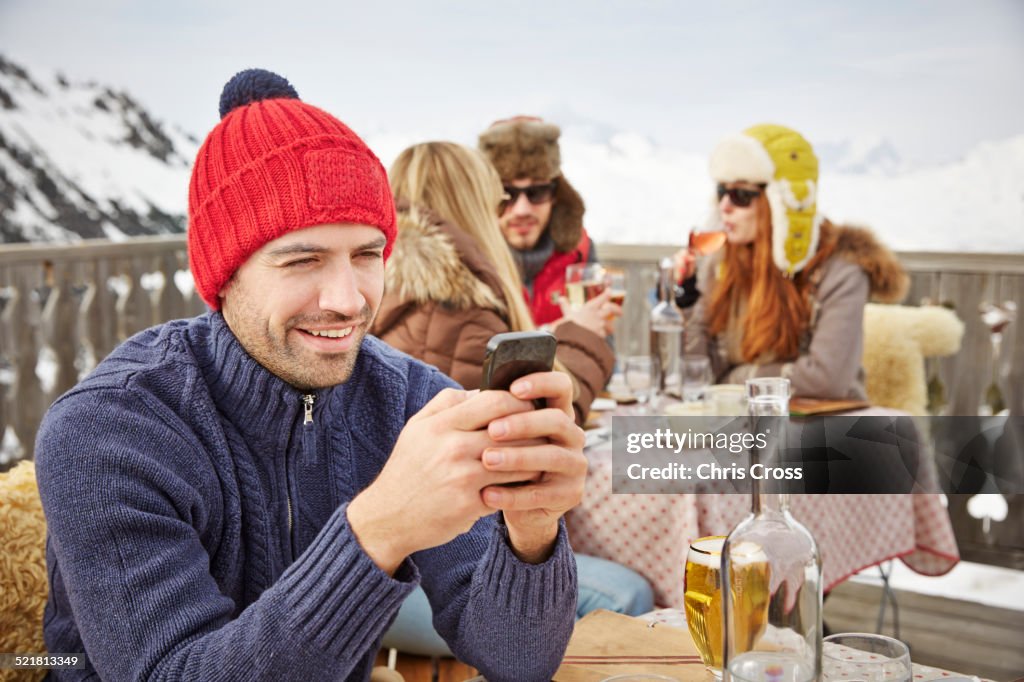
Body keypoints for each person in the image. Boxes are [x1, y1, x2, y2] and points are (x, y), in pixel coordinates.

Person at [33, 69, 585, 682]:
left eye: (367, 255)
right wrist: (380, 527)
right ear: (224, 276)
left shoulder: (409, 398)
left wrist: (531, 526)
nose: (349, 300)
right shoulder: (108, 432)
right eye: (303, 260)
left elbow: (519, 658)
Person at [372, 141, 654, 656]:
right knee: (627, 592)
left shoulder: (385, 284)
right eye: (499, 199)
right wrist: (584, 338)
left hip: (366, 558)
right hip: (413, 574)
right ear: (477, 205)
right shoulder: (462, 304)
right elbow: (515, 447)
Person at [678, 123, 908, 399]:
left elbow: (825, 380)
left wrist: (737, 378)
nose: (724, 206)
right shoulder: (722, 263)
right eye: (721, 191)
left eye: (741, 195)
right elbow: (700, 372)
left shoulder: (840, 271)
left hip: (827, 429)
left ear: (781, 203)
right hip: (744, 427)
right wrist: (686, 303)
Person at [478, 116, 616, 330]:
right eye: (506, 193)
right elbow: (475, 356)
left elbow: (604, 352)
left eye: (537, 192)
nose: (522, 209)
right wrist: (565, 332)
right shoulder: (467, 262)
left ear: (555, 195)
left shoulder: (580, 252)